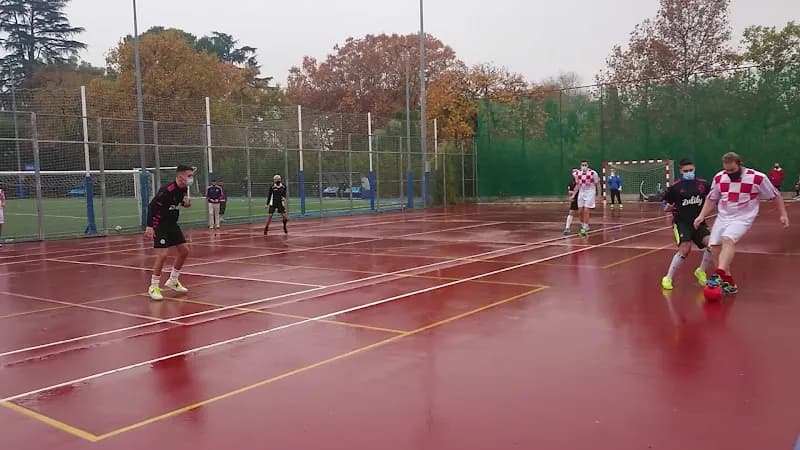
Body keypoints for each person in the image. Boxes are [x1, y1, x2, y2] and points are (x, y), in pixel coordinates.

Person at [693, 152, 790, 294]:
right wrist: (701, 216)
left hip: (743, 217)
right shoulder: (719, 177)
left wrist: (783, 214)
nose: (729, 173)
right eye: (727, 170)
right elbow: (711, 198)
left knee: (728, 239)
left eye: (732, 170)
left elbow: (776, 196)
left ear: (740, 164)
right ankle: (729, 283)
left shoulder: (757, 178)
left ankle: (718, 275)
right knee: (714, 247)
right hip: (723, 216)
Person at [660, 158, 714, 290]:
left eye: (691, 170)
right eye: (686, 171)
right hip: (681, 222)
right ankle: (668, 277)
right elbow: (665, 201)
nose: (689, 173)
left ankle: (701, 271)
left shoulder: (703, 184)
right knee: (685, 248)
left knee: (712, 244)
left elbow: (713, 197)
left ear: (694, 169)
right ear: (681, 171)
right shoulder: (675, 187)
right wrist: (666, 207)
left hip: (698, 221)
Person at [145, 165, 194, 301]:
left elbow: (177, 202)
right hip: (160, 225)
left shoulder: (183, 188)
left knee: (184, 251)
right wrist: (150, 226)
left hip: (172, 224)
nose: (191, 178)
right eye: (189, 176)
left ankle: (173, 280)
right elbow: (152, 206)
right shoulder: (167, 190)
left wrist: (185, 204)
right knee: (163, 255)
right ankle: (153, 287)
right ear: (180, 177)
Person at [574, 160, 600, 236]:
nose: (584, 166)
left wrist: (599, 195)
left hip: (590, 192)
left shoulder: (593, 173)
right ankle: (584, 225)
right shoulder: (578, 173)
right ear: (580, 166)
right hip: (581, 192)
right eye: (582, 165)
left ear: (588, 165)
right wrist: (573, 195)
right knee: (580, 211)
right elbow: (578, 185)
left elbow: (598, 184)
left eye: (585, 165)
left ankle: (584, 228)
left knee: (586, 210)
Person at [563, 168, 579, 235]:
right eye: (573, 172)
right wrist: (572, 195)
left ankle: (585, 226)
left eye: (576, 172)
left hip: (582, 198)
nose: (575, 173)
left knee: (583, 212)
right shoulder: (571, 182)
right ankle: (567, 228)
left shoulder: (582, 180)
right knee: (571, 212)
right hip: (575, 198)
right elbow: (569, 192)